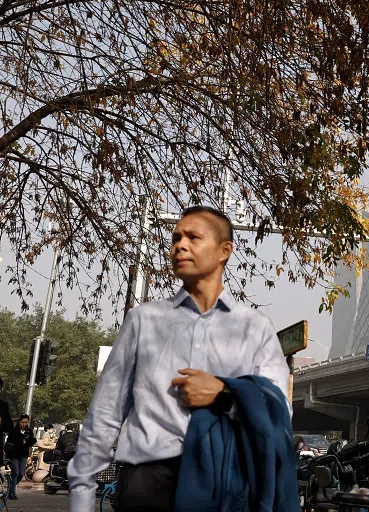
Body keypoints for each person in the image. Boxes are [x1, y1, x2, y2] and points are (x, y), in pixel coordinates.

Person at [68, 206, 290, 512]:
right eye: (175, 238)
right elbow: (105, 414)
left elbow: (280, 410)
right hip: (146, 484)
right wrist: (81, 496)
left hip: (223, 485)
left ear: (225, 250)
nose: (179, 246)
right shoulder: (143, 320)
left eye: (193, 237)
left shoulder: (254, 328)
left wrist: (225, 394)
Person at [3, 414, 36, 500]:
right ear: (19, 422)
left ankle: (10, 486)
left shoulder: (29, 431)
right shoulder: (14, 431)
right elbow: (9, 443)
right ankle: (12, 492)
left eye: (26, 422)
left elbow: (32, 440)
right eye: (23, 422)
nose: (24, 424)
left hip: (23, 455)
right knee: (15, 473)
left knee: (21, 474)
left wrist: (27, 442)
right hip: (14, 455)